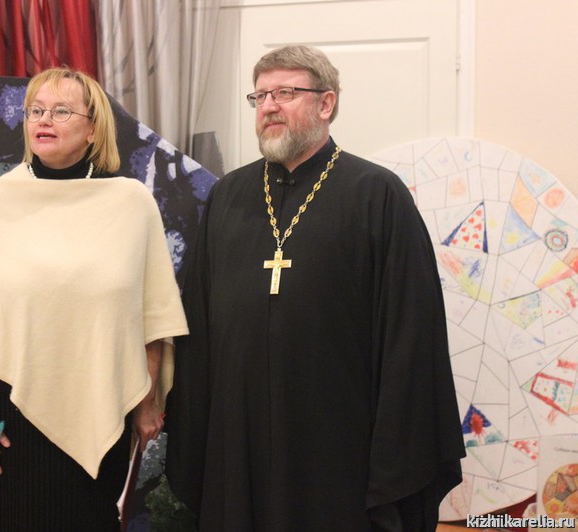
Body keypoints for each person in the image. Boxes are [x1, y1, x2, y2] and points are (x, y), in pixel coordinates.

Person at [165, 45, 465, 531]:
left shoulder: (376, 194)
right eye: (260, 96)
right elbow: (198, 323)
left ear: (326, 104)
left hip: (338, 439)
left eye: (284, 93)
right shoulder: (228, 196)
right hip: (238, 437)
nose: (268, 106)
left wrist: (393, 459)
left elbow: (410, 335)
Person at [0, 67, 188, 531]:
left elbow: (152, 318)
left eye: (61, 111)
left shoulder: (131, 204)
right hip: (13, 412)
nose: (44, 120)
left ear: (93, 129)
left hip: (104, 402)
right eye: (36, 110)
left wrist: (147, 401)